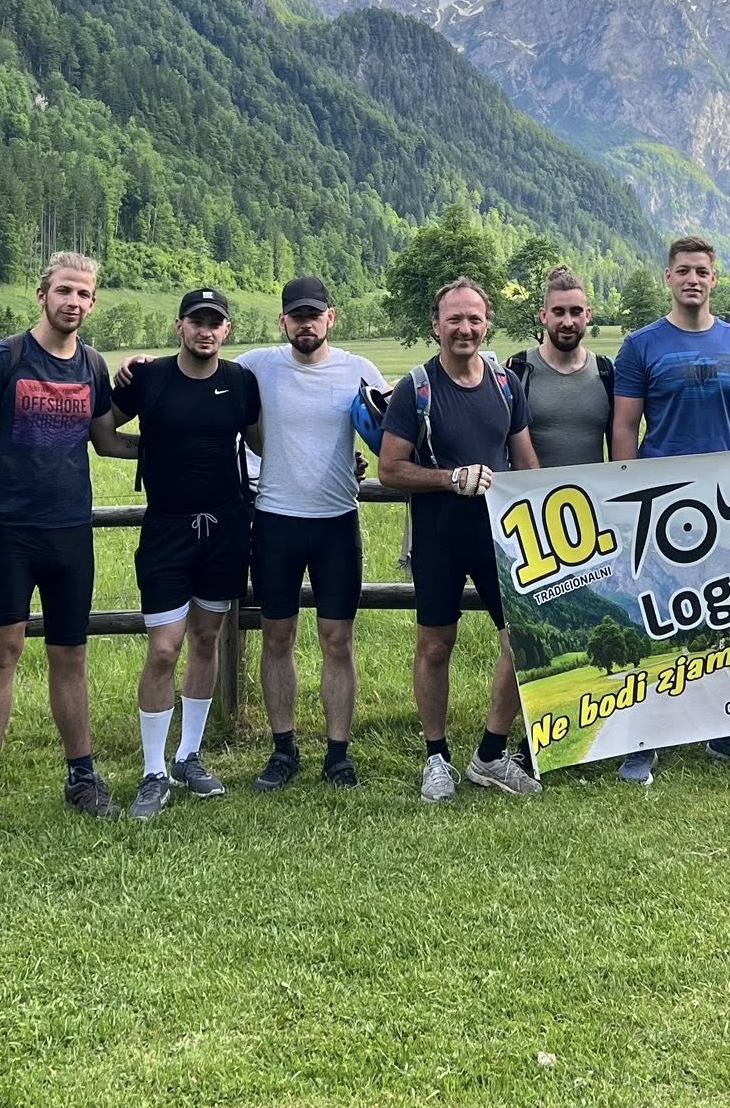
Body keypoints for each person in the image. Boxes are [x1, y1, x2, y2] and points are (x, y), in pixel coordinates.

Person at [0, 252, 135, 836]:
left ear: (93, 303)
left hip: (70, 530)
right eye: (64, 291)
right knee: (1, 653)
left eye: (83, 294)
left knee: (70, 654)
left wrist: (179, 442)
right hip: (7, 530)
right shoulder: (1, 360)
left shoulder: (92, 365)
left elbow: (107, 440)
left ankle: (82, 778)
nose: (73, 302)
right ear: (42, 294)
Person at [610, 235, 730, 784]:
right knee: (657, 622)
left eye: (702, 271)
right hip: (662, 505)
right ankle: (645, 739)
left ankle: (728, 734)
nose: (693, 279)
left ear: (714, 278)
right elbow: (624, 426)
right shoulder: (640, 345)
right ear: (668, 277)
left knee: (727, 619)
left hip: (728, 504)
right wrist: (627, 497)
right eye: (683, 270)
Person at [377, 278, 545, 801]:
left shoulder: (505, 384)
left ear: (487, 324)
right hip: (438, 535)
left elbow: (526, 460)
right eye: (454, 319)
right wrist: (450, 478)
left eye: (474, 318)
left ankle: (490, 755)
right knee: (435, 645)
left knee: (523, 640)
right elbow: (389, 469)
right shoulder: (416, 388)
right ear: (436, 326)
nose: (464, 329)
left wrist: (539, 517)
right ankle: (436, 757)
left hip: (501, 535)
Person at [105, 287, 261, 821]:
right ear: (179, 327)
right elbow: (103, 434)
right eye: (197, 321)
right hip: (167, 529)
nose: (205, 330)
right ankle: (153, 771)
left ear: (227, 330)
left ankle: (188, 755)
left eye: (215, 322)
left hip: (225, 527)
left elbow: (263, 443)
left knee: (206, 640)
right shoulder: (148, 378)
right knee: (164, 649)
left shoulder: (241, 382)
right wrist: (152, 450)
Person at [238, 277, 385, 791]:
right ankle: (283, 749)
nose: (306, 324)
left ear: (331, 318)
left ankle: (337, 754)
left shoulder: (358, 369)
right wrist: (140, 368)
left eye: (314, 315)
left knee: (337, 640)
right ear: (283, 321)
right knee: (277, 637)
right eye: (296, 315)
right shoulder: (257, 366)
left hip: (337, 523)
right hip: (275, 521)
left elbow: (392, 425)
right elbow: (201, 371)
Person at [505, 266, 614, 469]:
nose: (568, 322)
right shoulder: (517, 371)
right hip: (533, 490)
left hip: (594, 490)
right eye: (558, 312)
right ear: (543, 315)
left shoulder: (607, 372)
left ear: (588, 315)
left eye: (576, 312)